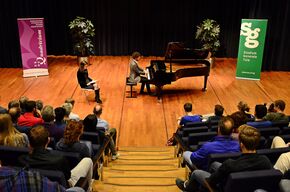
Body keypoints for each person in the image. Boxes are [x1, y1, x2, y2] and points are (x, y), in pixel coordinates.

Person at [176, 125, 272, 192]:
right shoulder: (265, 160)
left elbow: (211, 181)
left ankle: (186, 187)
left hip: (225, 188)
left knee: (196, 173)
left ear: (241, 144)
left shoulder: (230, 164)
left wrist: (213, 178)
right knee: (214, 164)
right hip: (249, 186)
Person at [18, 126, 93, 189]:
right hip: (61, 188)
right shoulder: (59, 158)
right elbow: (68, 177)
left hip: (35, 187)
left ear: (29, 143)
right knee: (88, 160)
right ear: (48, 140)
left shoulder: (21, 160)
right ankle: (88, 189)